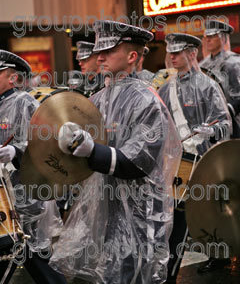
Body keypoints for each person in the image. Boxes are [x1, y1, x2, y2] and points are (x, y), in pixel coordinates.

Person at [50, 21, 182, 284]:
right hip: (106, 212)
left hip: (140, 214)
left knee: (136, 275)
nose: (99, 56)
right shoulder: (99, 98)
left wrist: (91, 151)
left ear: (132, 56)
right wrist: (68, 143)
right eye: (99, 50)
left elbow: (137, 162)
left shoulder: (145, 100)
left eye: (109, 51)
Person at [158, 33, 232, 283]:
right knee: (178, 217)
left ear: (192, 53)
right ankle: (170, 271)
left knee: (213, 210)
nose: (173, 57)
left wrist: (209, 131)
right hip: (179, 164)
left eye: (178, 52)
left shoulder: (207, 85)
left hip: (204, 160)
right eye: (171, 52)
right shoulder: (166, 87)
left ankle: (220, 253)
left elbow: (225, 123)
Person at [0, 50, 67, 283]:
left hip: (26, 197)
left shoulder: (24, 101)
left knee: (38, 259)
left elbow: (46, 141)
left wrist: (16, 151)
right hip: (3, 199)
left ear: (12, 78)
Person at [200, 20, 240, 138]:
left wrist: (226, 110)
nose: (208, 39)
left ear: (223, 38)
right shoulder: (203, 64)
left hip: (234, 120)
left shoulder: (234, 62)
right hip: (209, 120)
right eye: (207, 36)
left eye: (213, 36)